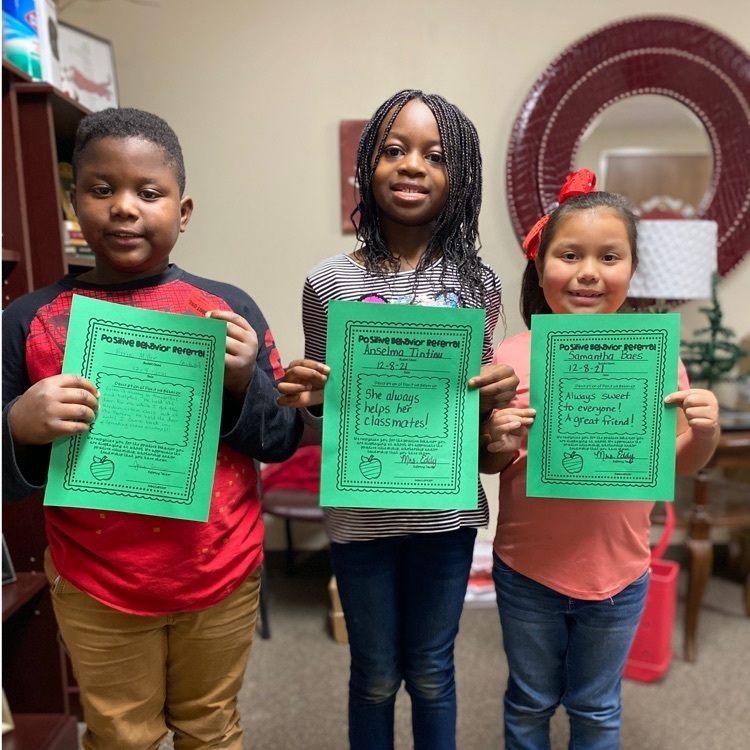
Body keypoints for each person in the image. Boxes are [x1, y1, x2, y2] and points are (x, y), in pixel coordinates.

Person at [1, 107, 302, 750]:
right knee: (120, 737)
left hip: (219, 572)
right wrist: (19, 427)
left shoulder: (227, 311)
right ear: (74, 201)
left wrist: (244, 383)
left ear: (182, 211)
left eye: (148, 192)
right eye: (101, 189)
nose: (124, 207)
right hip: (96, 582)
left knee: (211, 728)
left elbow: (281, 439)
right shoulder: (29, 320)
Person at [277, 89, 518, 750]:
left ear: (460, 177)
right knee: (376, 676)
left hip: (445, 514)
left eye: (436, 156)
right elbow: (329, 410)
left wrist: (494, 397)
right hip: (361, 516)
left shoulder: (480, 284)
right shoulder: (328, 282)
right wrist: (310, 397)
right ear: (367, 166)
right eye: (394, 150)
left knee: (434, 674)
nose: (413, 165)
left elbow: (475, 414)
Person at [480, 170, 720, 750]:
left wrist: (705, 432)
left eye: (609, 257)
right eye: (569, 255)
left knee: (597, 707)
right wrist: (497, 443)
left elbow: (678, 462)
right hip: (527, 571)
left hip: (620, 574)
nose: (589, 272)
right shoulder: (509, 356)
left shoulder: (655, 358)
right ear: (540, 267)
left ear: (631, 269)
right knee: (529, 701)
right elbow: (491, 463)